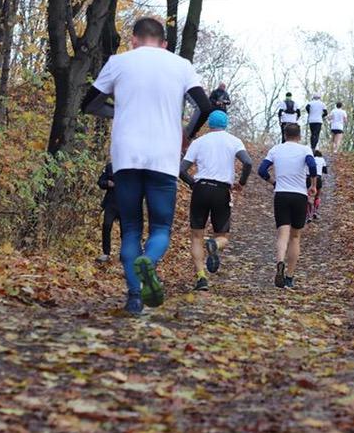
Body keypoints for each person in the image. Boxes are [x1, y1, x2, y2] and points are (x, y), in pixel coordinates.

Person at [87, 17, 210, 314]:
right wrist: (187, 133)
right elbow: (204, 106)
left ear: (133, 40)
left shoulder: (118, 62)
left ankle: (134, 298)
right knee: (160, 228)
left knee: (130, 228)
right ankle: (149, 262)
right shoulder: (181, 65)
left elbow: (89, 104)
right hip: (163, 158)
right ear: (164, 44)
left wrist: (119, 112)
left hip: (126, 158)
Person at [179, 110, 253, 291]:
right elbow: (248, 162)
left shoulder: (199, 142)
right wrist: (242, 183)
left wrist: (192, 184)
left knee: (196, 236)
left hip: (201, 189)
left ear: (210, 124)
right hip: (221, 191)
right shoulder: (234, 141)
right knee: (223, 236)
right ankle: (215, 244)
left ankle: (201, 278)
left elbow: (181, 169)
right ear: (225, 124)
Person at [257, 123, 318, 288]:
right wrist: (313, 185)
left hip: (281, 195)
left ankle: (280, 262)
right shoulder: (305, 150)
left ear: (285, 135)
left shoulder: (276, 150)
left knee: (282, 235)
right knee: (295, 237)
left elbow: (262, 170)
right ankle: (290, 277)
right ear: (299, 136)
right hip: (299, 195)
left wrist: (274, 182)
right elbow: (312, 166)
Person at [96, 161, 119, 263]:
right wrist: (107, 183)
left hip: (126, 204)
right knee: (106, 225)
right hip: (111, 203)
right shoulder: (110, 166)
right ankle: (106, 253)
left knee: (126, 230)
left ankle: (126, 253)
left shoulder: (131, 167)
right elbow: (100, 182)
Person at [308, 150, 328, 222]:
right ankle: (315, 212)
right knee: (317, 197)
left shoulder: (311, 159)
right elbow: (325, 171)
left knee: (309, 197)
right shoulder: (322, 159)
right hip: (318, 179)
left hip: (309, 179)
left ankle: (309, 216)